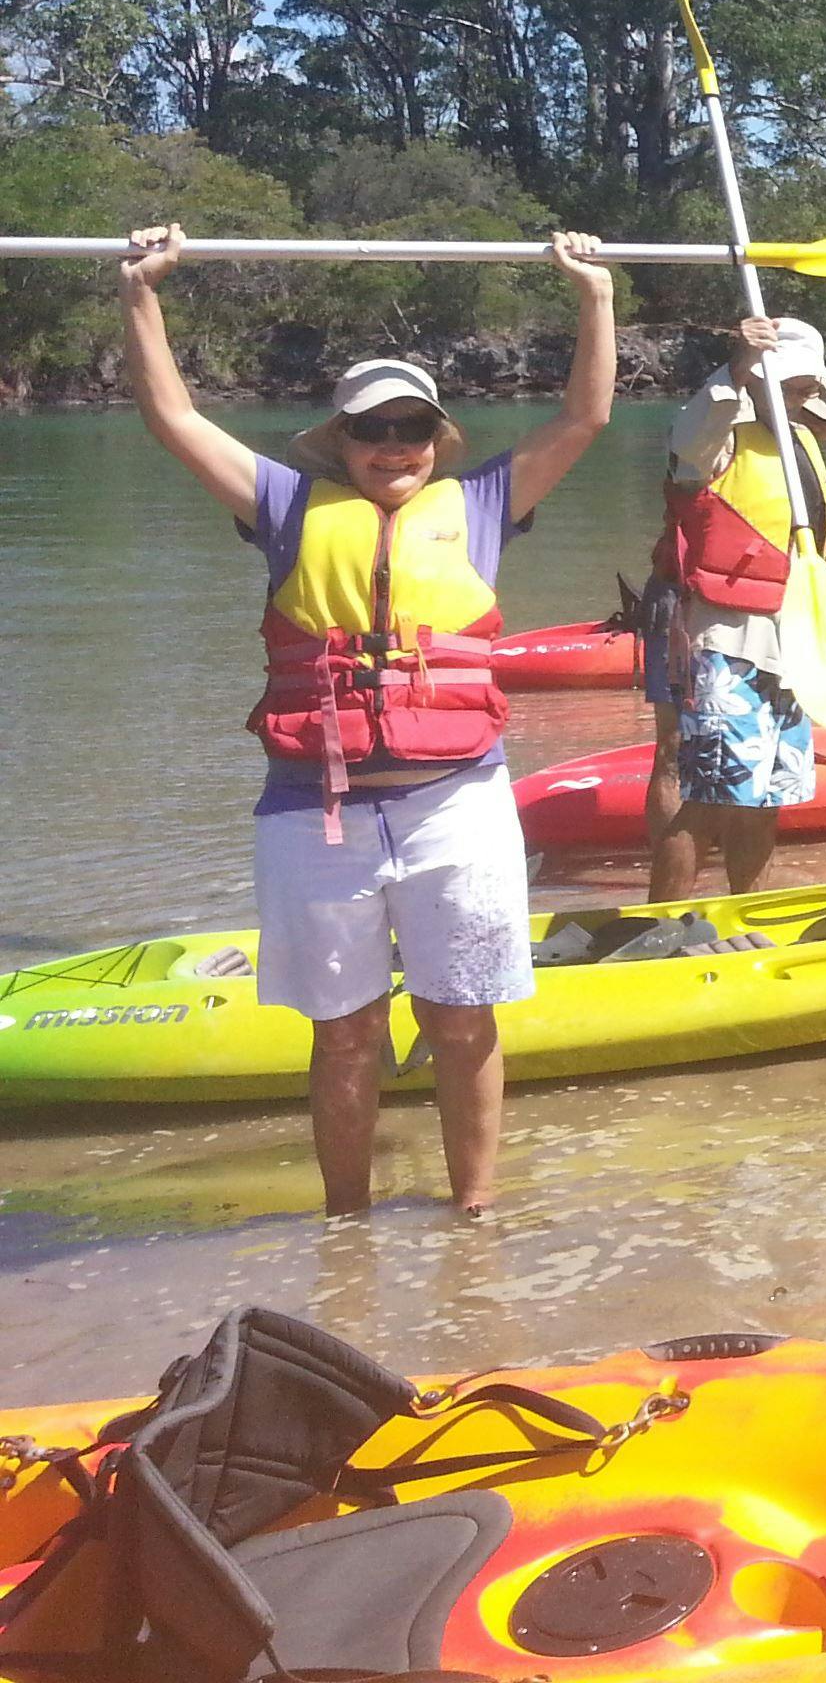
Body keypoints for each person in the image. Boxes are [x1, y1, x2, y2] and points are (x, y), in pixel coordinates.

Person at [115, 222, 615, 1218]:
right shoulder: (286, 506)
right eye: (372, 429)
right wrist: (141, 293)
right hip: (318, 814)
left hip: (456, 805)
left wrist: (593, 294)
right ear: (338, 439)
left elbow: (585, 417)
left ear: (437, 441)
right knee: (342, 1032)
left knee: (461, 1022)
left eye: (413, 429)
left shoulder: (480, 505)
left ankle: (475, 1215)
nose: (394, 446)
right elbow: (173, 418)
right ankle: (346, 1225)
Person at [644, 317, 826, 905]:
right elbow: (691, 437)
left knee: (769, 794)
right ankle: (665, 923)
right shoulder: (720, 438)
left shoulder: (802, 443)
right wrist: (736, 367)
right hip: (722, 639)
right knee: (707, 795)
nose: (801, 398)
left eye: (806, 389)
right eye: (790, 386)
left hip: (789, 640)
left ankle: (744, 911)